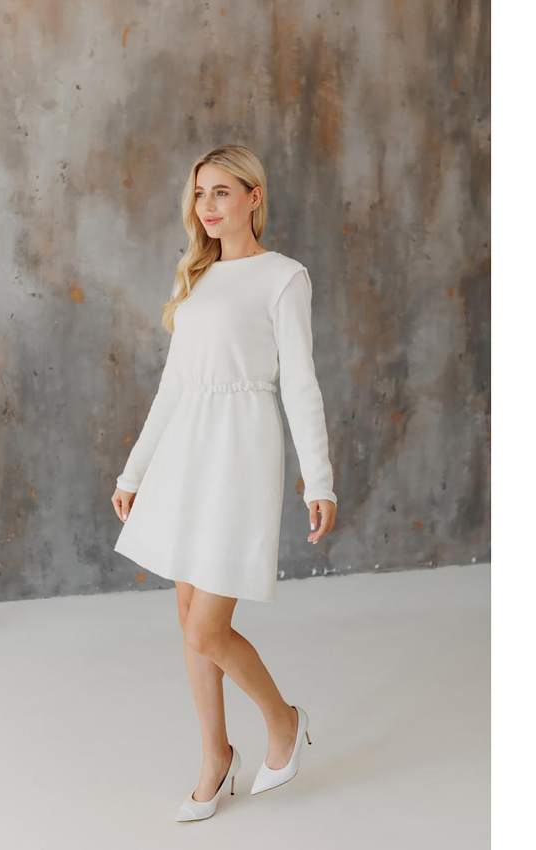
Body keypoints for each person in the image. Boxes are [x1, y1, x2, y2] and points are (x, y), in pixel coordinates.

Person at [111, 144, 337, 821]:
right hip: (186, 452)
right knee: (189, 620)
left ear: (253, 197)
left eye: (221, 192)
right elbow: (174, 386)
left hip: (242, 449)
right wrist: (134, 469)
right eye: (200, 194)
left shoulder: (283, 277)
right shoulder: (199, 277)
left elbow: (300, 384)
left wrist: (319, 480)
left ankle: (283, 720)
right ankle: (216, 756)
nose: (207, 207)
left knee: (210, 628)